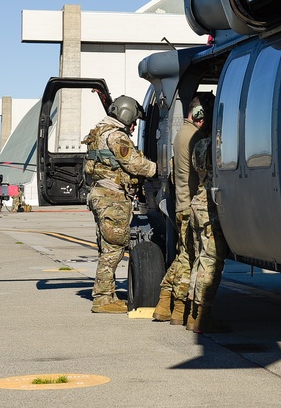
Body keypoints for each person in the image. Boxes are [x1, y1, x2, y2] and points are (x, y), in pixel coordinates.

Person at [82, 94, 157, 314]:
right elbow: (134, 164)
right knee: (114, 247)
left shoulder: (99, 132)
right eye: (133, 121)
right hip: (112, 197)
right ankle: (103, 299)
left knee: (106, 247)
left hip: (101, 195)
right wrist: (159, 169)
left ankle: (107, 293)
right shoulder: (116, 136)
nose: (133, 126)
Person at [153, 92, 214, 325]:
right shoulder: (196, 138)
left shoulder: (181, 135)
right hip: (191, 205)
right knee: (191, 259)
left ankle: (164, 303)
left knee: (182, 256)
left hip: (181, 204)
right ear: (200, 115)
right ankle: (179, 308)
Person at [186, 136, 230, 333]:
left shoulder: (200, 144)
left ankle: (192, 315)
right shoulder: (218, 143)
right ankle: (203, 317)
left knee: (199, 260)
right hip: (209, 207)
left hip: (197, 202)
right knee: (211, 262)